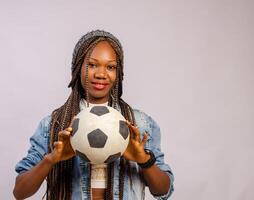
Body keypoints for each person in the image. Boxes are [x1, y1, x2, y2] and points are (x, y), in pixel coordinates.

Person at [13, 30, 174, 200]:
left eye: (110, 67)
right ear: (77, 67)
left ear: (118, 72)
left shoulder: (139, 123)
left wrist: (143, 160)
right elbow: (20, 192)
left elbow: (163, 190)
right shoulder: (54, 124)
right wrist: (52, 159)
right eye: (92, 65)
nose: (101, 74)